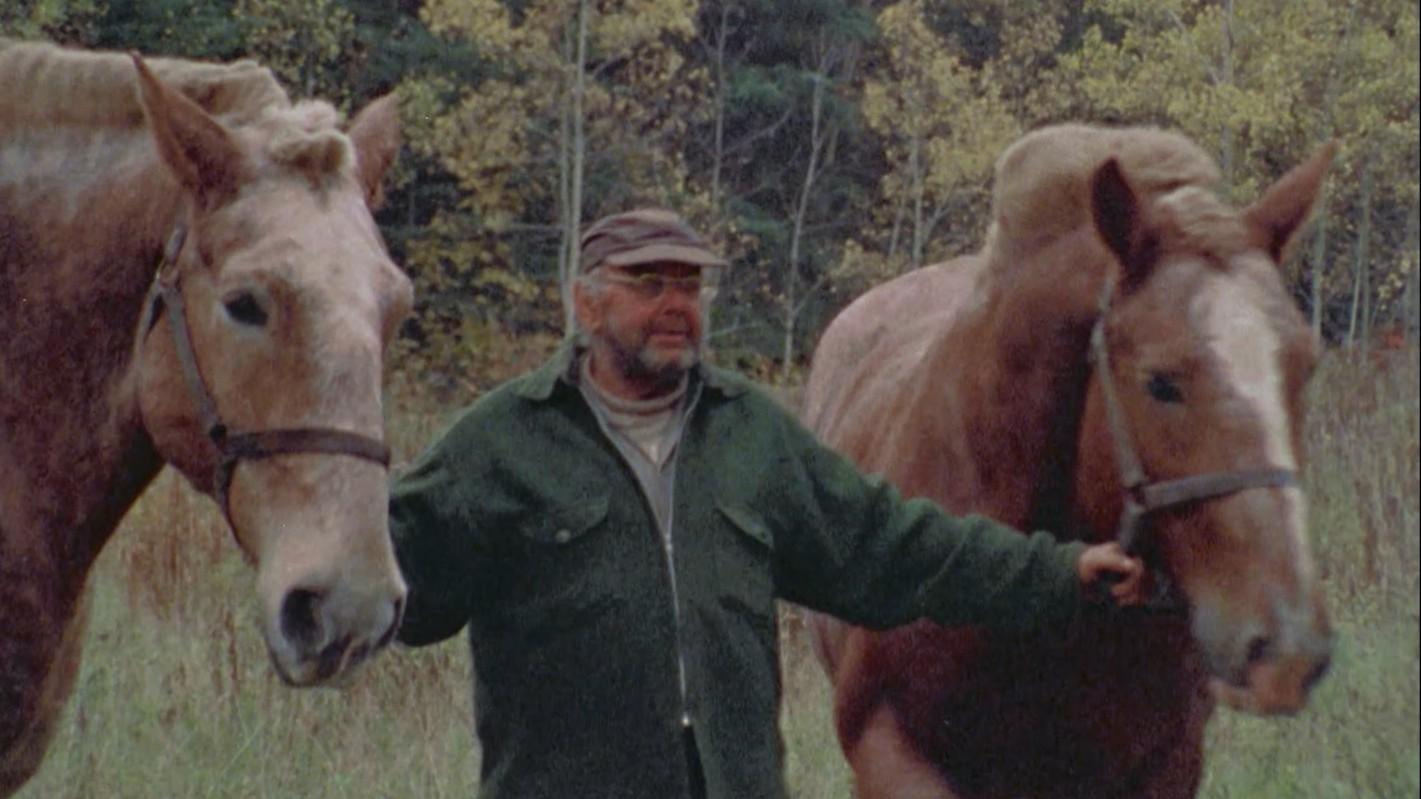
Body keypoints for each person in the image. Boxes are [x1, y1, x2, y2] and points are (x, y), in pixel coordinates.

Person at [388, 208, 1144, 799]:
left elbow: (889, 545)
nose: (675, 304)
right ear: (586, 301)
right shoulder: (501, 441)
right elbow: (388, 583)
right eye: (648, 283)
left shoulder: (748, 431)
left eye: (689, 285)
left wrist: (1057, 571)